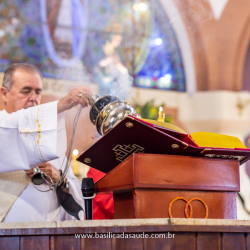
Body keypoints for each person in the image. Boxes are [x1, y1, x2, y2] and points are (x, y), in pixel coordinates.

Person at [0, 63, 92, 222]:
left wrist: (60, 179)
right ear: (4, 94)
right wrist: (61, 104)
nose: (34, 99)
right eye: (26, 91)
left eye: (38, 92)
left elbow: (79, 196)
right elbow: (10, 125)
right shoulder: (3, 127)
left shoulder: (47, 139)